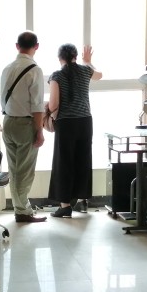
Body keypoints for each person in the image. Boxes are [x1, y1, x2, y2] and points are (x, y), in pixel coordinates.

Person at [47, 43, 102, 217]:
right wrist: (88, 61)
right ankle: (81, 201)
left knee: (64, 163)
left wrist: (46, 112)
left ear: (59, 58)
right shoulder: (85, 71)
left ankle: (65, 206)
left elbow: (54, 104)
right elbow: (99, 75)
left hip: (66, 123)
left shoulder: (56, 75)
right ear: (75, 57)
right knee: (82, 160)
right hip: (85, 121)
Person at [0, 31, 47, 223]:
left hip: (8, 122)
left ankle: (20, 209)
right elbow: (37, 105)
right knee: (25, 171)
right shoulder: (35, 70)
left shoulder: (7, 68)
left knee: (14, 170)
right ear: (36, 46)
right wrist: (39, 131)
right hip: (25, 124)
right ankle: (23, 211)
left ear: (17, 46)